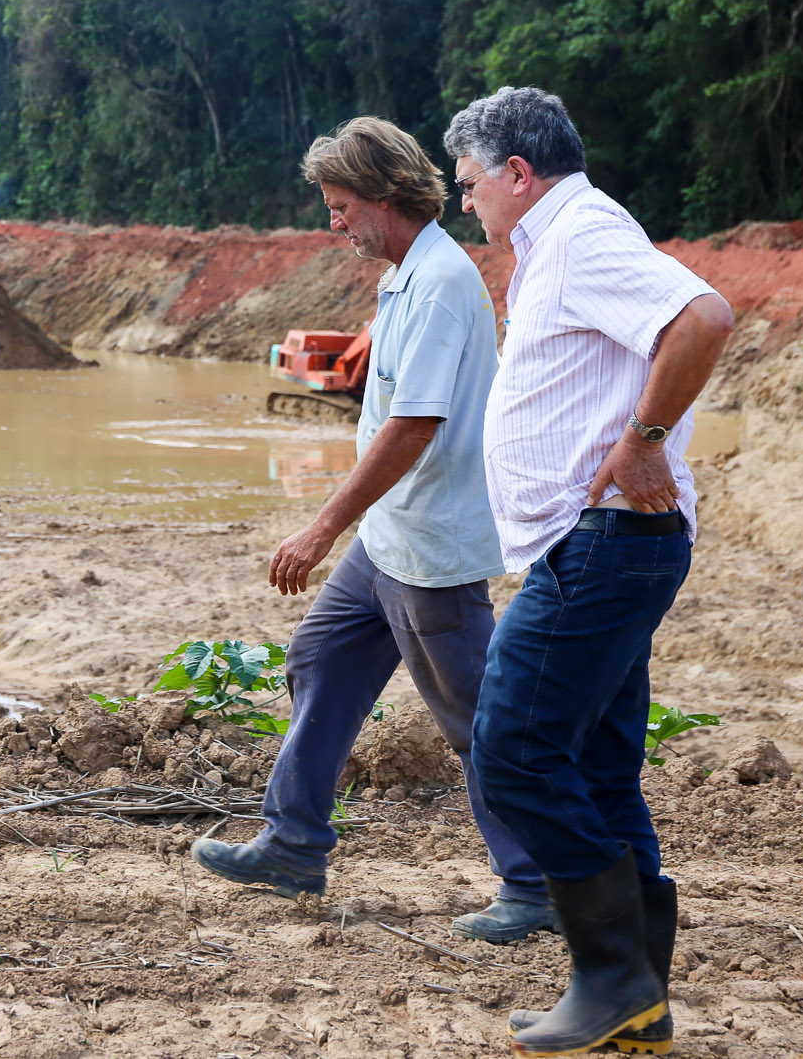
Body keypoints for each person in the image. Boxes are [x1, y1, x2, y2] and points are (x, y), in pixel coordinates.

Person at [190, 116, 553, 944]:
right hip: (391, 538)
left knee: (476, 720)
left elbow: (412, 426)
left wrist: (321, 526)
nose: (334, 222)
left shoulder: (439, 284)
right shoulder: (405, 276)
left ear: (388, 199)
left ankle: (534, 885)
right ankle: (292, 845)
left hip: (429, 549)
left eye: (342, 204)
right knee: (320, 657)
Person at [445, 87, 733, 1058]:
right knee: (599, 767)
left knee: (512, 751)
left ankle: (611, 978)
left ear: (517, 174)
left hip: (604, 540)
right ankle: (635, 1002)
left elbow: (702, 315)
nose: (465, 205)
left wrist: (643, 440)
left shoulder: (579, 234)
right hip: (598, 543)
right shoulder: (553, 245)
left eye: (470, 184)